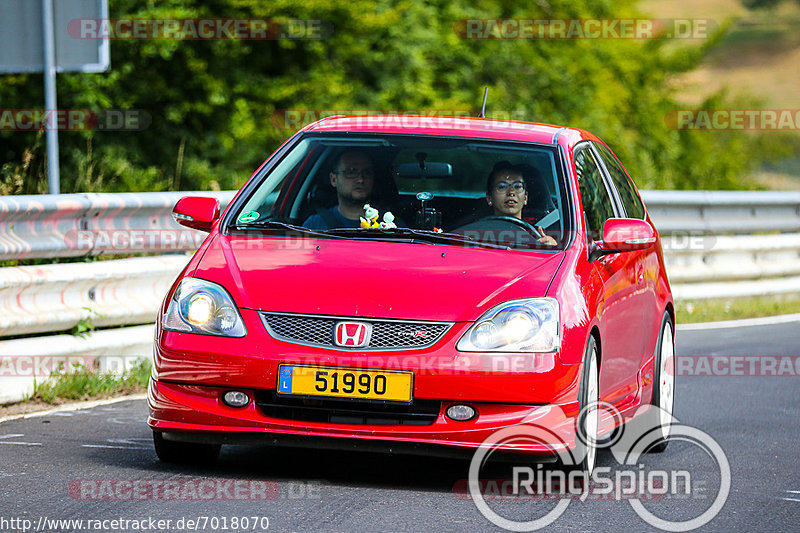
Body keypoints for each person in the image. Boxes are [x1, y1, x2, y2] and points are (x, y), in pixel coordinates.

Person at [486, 161, 557, 246]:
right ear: (489, 197)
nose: (511, 192)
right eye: (502, 187)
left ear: (525, 197)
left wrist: (551, 248)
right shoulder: (472, 235)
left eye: (517, 186)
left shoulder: (539, 237)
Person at [303, 151, 378, 230]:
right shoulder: (314, 225)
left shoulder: (387, 222)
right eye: (351, 172)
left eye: (367, 173)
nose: (360, 179)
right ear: (333, 180)